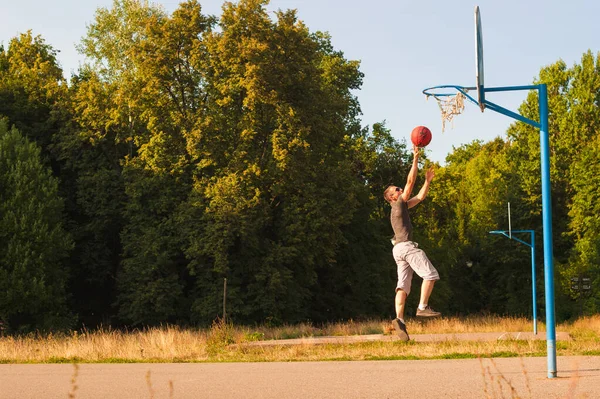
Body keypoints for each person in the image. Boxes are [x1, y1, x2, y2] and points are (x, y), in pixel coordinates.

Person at [383, 145, 440, 341]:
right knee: (431, 274)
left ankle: (399, 319)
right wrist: (415, 158)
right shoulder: (398, 203)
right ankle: (422, 307)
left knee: (402, 286)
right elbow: (410, 181)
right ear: (392, 197)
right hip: (406, 246)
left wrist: (427, 181)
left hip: (398, 250)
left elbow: (421, 196)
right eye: (396, 190)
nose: (400, 189)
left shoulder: (402, 206)